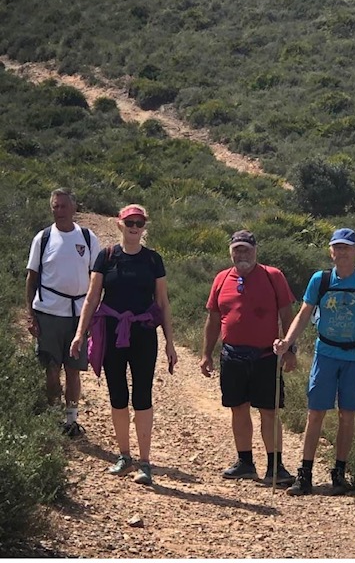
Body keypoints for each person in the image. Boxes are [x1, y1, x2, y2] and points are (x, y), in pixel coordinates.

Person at [70, 203, 177, 486]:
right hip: (111, 330)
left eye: (139, 223)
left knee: (142, 395)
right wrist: (80, 333)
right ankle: (124, 456)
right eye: (130, 222)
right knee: (117, 394)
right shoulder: (106, 257)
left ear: (144, 227)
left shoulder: (153, 260)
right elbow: (92, 298)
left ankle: (145, 462)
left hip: (143, 332)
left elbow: (162, 302)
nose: (134, 228)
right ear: (120, 224)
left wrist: (170, 342)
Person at [274, 228, 355, 496]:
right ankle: (305, 474)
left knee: (347, 415)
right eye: (337, 247)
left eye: (347, 247)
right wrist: (287, 342)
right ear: (330, 251)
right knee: (315, 413)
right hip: (326, 354)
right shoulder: (320, 280)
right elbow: (303, 315)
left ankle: (339, 475)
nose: (342, 252)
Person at [200, 230, 297, 485]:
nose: (242, 254)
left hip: (266, 356)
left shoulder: (273, 276)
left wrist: (290, 350)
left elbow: (287, 316)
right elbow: (213, 319)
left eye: (246, 249)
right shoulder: (222, 278)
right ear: (231, 252)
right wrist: (206, 354)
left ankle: (276, 467)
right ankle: (245, 463)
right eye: (237, 250)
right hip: (232, 356)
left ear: (255, 251)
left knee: (269, 411)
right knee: (238, 409)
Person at [26, 188, 100, 436]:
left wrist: (94, 315)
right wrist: (30, 314)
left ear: (74, 208)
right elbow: (31, 278)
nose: (59, 211)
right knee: (51, 368)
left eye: (63, 206)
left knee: (73, 370)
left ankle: (71, 420)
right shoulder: (43, 238)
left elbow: (97, 280)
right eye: (55, 206)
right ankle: (52, 417)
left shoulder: (88, 238)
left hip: (78, 316)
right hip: (48, 313)